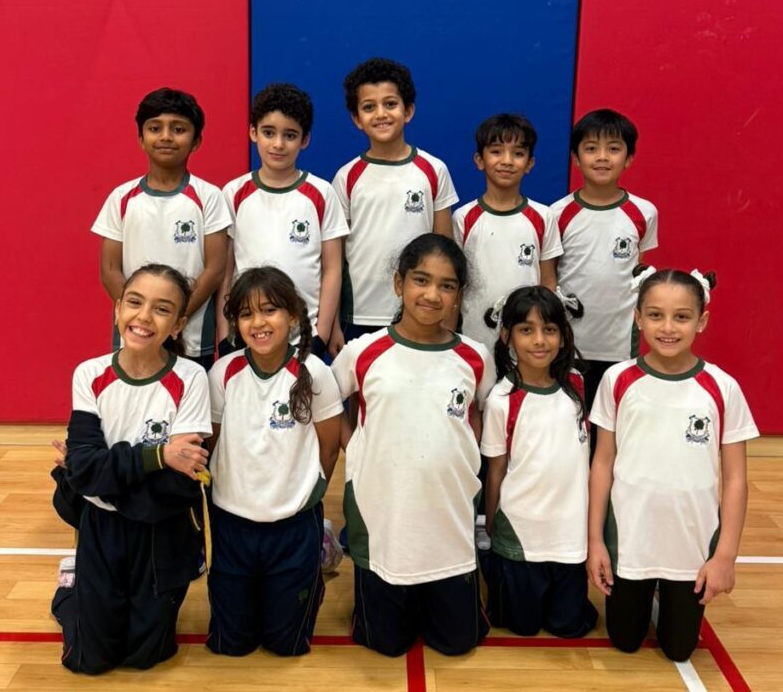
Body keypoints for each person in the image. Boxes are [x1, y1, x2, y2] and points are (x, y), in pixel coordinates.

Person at [331, 234, 495, 657]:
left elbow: (483, 416)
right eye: (421, 280)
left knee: (458, 643)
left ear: (459, 295)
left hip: (449, 516)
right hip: (384, 516)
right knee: (385, 643)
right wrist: (357, 445)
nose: (432, 294)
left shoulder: (476, 357)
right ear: (398, 283)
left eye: (447, 285)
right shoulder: (363, 353)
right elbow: (325, 406)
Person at [587, 267, 758, 662]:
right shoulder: (617, 380)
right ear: (637, 318)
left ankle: (671, 592)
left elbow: (735, 479)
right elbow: (602, 463)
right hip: (629, 542)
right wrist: (595, 541)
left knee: (680, 651)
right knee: (624, 641)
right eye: (655, 315)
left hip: (691, 546)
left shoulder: (722, 387)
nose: (667, 327)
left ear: (702, 320)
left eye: (681, 316)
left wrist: (725, 557)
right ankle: (642, 589)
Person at [53, 264, 212, 674]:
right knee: (89, 660)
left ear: (178, 325)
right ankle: (70, 590)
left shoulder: (192, 378)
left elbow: (179, 481)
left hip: (161, 525)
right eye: (135, 302)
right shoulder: (89, 374)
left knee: (147, 656)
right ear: (117, 309)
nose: (144, 317)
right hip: (101, 527)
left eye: (162, 309)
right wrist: (158, 456)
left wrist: (99, 472)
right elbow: (84, 470)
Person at [193, 267, 343, 656]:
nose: (258, 323)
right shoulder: (223, 373)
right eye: (246, 314)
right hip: (232, 524)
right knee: (231, 645)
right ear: (236, 323)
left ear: (292, 316)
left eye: (270, 310)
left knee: (286, 645)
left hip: (294, 525)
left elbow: (329, 448)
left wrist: (309, 491)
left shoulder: (315, 373)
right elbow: (213, 441)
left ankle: (318, 552)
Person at [481, 286, 597, 638]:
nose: (539, 340)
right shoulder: (501, 400)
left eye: (549, 329)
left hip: (570, 536)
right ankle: (491, 566)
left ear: (563, 336)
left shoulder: (577, 384)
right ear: (507, 336)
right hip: (520, 535)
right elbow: (496, 470)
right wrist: (493, 527)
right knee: (521, 627)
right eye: (526, 329)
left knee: (569, 627)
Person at [92, 88, 232, 369]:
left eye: (178, 129)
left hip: (190, 336)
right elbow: (109, 270)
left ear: (196, 141)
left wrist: (172, 319)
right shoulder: (121, 198)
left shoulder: (209, 197)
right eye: (155, 128)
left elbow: (214, 270)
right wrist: (142, 317)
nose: (166, 136)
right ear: (141, 138)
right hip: (136, 335)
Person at [332, 58, 459, 351]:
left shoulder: (434, 170)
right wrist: (335, 322)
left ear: (408, 110)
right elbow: (335, 260)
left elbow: (446, 248)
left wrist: (449, 316)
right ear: (356, 119)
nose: (381, 114)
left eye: (390, 104)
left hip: (422, 310)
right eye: (369, 107)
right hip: (360, 313)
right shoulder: (346, 177)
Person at [549, 109, 658, 438]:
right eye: (591, 148)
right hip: (570, 343)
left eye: (613, 148)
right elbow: (549, 279)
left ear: (629, 158)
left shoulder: (644, 212)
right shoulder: (557, 214)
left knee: (609, 428)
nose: (601, 157)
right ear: (575, 158)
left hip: (620, 343)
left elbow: (640, 277)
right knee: (570, 427)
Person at [217, 84, 348, 358]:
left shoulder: (322, 193)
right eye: (268, 133)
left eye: (290, 135)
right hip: (248, 333)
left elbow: (332, 269)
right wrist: (224, 334)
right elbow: (225, 272)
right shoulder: (234, 193)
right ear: (253, 132)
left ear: (305, 140)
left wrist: (321, 334)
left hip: (305, 336)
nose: (278, 144)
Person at [453, 113, 562, 348]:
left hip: (525, 343)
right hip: (473, 338)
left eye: (518, 154)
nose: (507, 161)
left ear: (530, 163)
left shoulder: (544, 217)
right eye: (496, 151)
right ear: (479, 160)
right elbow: (455, 284)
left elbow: (548, 283)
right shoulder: (463, 218)